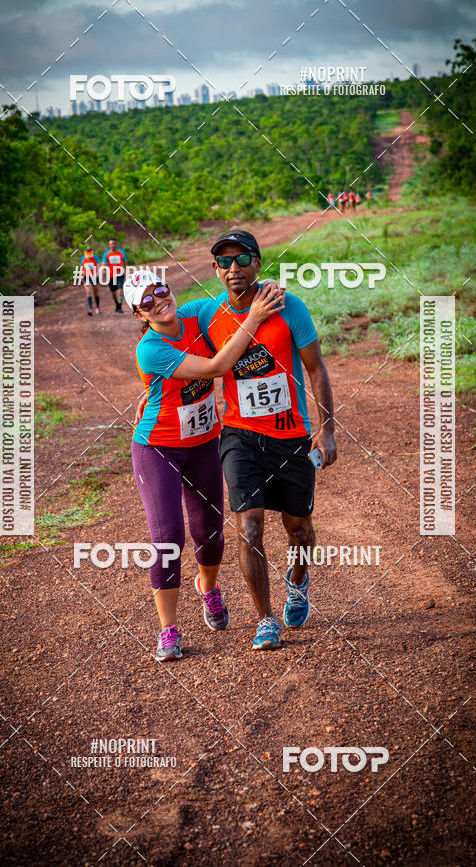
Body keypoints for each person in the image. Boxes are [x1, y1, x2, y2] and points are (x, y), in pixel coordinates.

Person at [125, 269, 285, 662]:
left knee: (210, 532)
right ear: (138, 314)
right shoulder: (150, 347)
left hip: (203, 443)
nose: (159, 301)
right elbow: (215, 368)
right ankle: (168, 631)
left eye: (160, 290)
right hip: (157, 447)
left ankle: (207, 587)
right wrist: (253, 320)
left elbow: (236, 299)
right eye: (147, 301)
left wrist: (270, 292)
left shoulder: (197, 315)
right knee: (168, 538)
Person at [195, 230, 337, 651]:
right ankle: (266, 620)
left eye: (242, 259)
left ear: (258, 263)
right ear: (215, 270)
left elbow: (316, 369)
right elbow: (163, 321)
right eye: (224, 262)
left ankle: (298, 581)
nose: (233, 268)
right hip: (239, 436)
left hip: (290, 437)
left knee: (299, 530)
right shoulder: (206, 314)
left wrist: (326, 428)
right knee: (250, 528)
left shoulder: (288, 305)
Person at [102, 238, 128, 314]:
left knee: (120, 290)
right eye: (111, 243)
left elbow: (125, 262)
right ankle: (117, 304)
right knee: (113, 292)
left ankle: (119, 307)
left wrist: (126, 271)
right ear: (109, 245)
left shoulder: (121, 252)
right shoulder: (106, 254)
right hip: (111, 275)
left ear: (116, 244)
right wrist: (103, 271)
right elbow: (104, 264)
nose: (113, 245)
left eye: (114, 243)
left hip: (120, 274)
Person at [79, 248, 100, 316]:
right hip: (86, 277)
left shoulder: (95, 257)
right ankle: (90, 309)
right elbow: (81, 268)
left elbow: (98, 267)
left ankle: (98, 307)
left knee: (95, 293)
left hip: (94, 277)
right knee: (88, 292)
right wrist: (80, 278)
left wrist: (96, 275)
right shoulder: (83, 258)